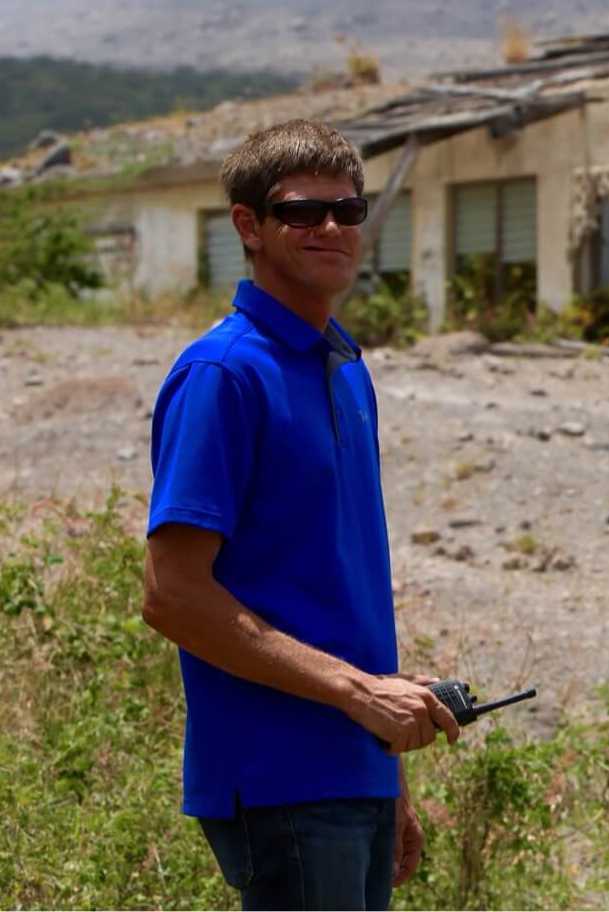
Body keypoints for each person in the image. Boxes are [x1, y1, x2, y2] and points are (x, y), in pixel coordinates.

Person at [141, 120, 461, 911]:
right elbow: (172, 595)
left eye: (347, 212)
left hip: (350, 768)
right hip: (281, 778)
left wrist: (387, 772)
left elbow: (334, 593)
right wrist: (358, 696)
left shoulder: (345, 368)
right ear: (248, 226)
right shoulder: (224, 374)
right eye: (301, 212)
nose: (329, 229)